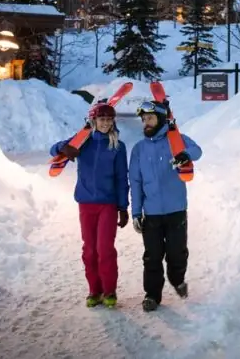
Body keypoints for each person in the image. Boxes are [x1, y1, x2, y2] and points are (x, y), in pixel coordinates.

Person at [50, 102, 129, 308]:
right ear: (94, 121)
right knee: (90, 251)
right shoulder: (82, 142)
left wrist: (123, 207)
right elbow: (53, 149)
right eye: (102, 119)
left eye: (109, 120)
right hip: (86, 203)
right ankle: (94, 290)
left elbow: (122, 178)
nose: (105, 123)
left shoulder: (118, 147)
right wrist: (62, 147)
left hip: (108, 205)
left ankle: (109, 290)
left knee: (105, 249)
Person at [129, 99, 203, 312]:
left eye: (150, 118)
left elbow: (198, 150)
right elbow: (135, 182)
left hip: (176, 209)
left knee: (177, 252)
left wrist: (184, 155)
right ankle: (152, 294)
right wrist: (136, 212)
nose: (146, 123)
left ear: (161, 119)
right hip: (151, 213)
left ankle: (177, 279)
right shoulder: (139, 149)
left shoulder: (176, 140)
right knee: (152, 256)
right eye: (144, 119)